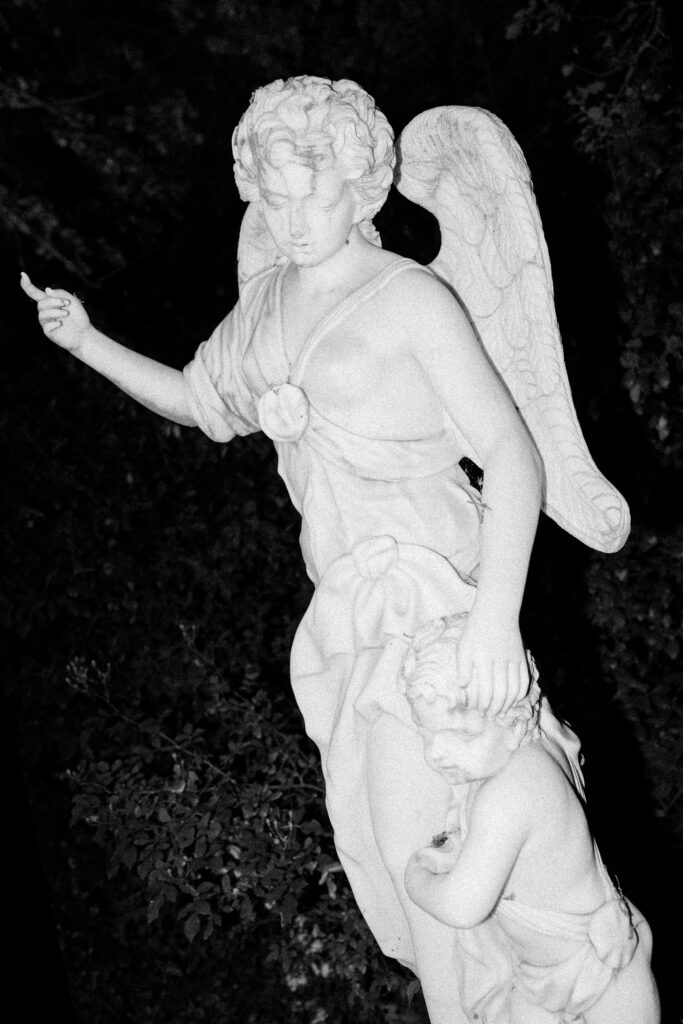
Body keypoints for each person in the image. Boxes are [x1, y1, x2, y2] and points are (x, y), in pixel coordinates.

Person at [22, 75, 545, 1024]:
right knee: (405, 862)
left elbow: (512, 452)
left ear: (361, 184)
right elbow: (196, 398)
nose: (290, 214)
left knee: (437, 851)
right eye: (271, 193)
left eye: (310, 191)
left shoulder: (410, 300)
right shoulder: (262, 308)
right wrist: (85, 340)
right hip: (346, 611)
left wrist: (495, 623)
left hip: (435, 601)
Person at [402, 614, 660, 1024]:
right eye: (427, 731)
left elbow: (462, 905)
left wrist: (417, 874)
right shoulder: (512, 753)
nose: (437, 752)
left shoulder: (513, 791)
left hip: (602, 974)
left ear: (516, 723)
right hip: (536, 978)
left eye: (462, 733)